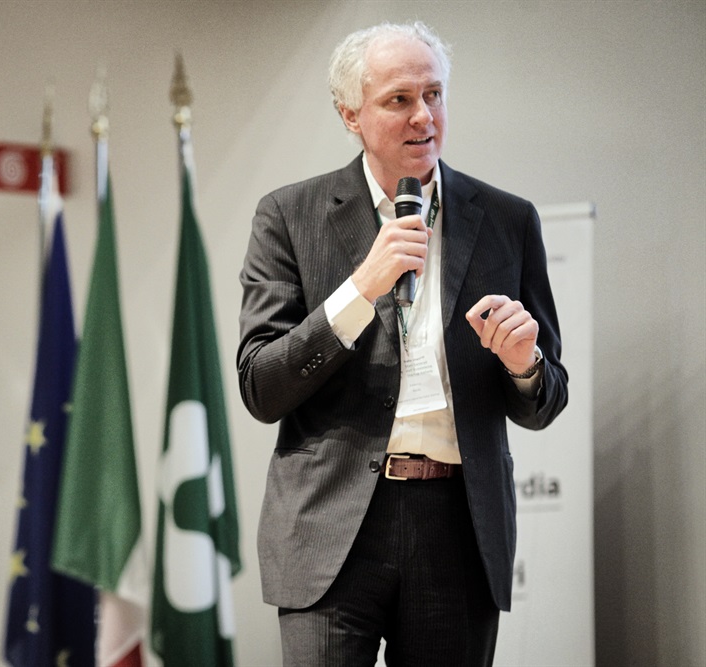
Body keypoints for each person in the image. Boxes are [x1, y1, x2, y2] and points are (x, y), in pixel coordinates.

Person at [236, 21, 568, 666]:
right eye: (399, 99)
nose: (424, 116)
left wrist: (523, 363)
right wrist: (361, 288)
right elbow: (261, 387)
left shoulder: (507, 219)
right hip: (331, 528)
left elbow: (545, 400)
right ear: (350, 114)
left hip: (458, 528)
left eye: (434, 95)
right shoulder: (289, 216)